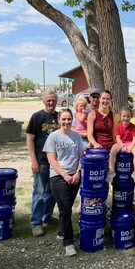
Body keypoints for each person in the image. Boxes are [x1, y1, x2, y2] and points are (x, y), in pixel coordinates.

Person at [43, 108, 84, 257]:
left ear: (72, 119)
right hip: (58, 177)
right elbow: (51, 160)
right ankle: (68, 242)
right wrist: (65, 175)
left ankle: (61, 231)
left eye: (69, 119)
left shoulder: (76, 136)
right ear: (59, 120)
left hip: (75, 176)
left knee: (64, 209)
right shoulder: (53, 137)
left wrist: (78, 172)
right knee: (66, 209)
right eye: (63, 119)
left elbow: (81, 156)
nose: (66, 122)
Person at [26, 90, 59, 237]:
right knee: (39, 192)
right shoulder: (37, 117)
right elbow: (30, 139)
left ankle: (47, 216)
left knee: (52, 192)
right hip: (41, 161)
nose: (51, 103)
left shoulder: (59, 117)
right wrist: (33, 160)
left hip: (56, 162)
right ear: (44, 101)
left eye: (53, 100)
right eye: (49, 100)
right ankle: (36, 223)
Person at [108, 106, 135, 184]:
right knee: (112, 150)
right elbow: (118, 138)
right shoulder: (119, 126)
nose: (126, 118)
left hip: (130, 142)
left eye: (128, 116)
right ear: (120, 116)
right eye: (124, 116)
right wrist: (122, 145)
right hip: (121, 142)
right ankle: (111, 170)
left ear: (131, 117)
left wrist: (131, 146)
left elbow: (134, 139)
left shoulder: (133, 127)